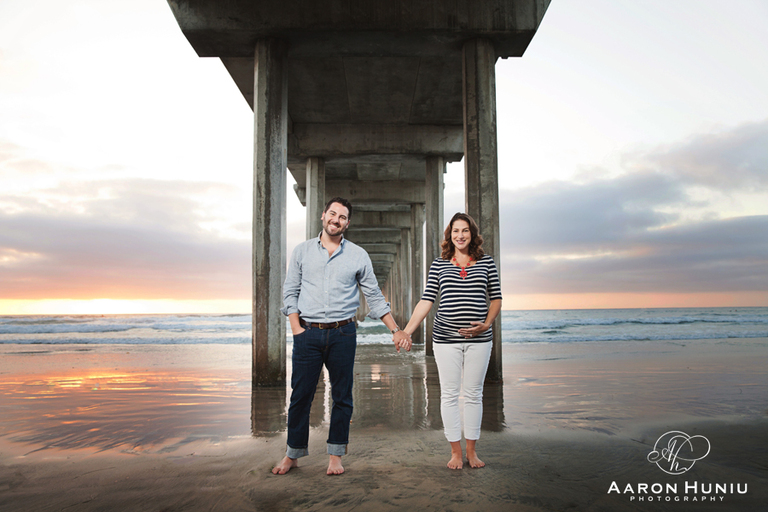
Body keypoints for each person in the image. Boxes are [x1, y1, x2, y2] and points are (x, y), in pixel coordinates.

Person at [273, 197, 412, 476]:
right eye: (332, 214)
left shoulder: (358, 255)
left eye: (342, 217)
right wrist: (296, 329)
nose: (336, 220)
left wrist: (396, 330)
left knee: (342, 396)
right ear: (323, 216)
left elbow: (374, 296)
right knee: (300, 396)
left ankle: (336, 454)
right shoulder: (301, 252)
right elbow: (290, 292)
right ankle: (293, 454)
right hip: (308, 333)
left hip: (343, 333)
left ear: (348, 223)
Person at [402, 212, 502, 470]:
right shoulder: (438, 264)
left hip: (480, 340)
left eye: (465, 230)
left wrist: (487, 324)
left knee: (472, 395)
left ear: (472, 234)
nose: (460, 235)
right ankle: (455, 452)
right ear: (450, 235)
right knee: (448, 394)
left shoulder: (486, 263)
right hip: (445, 339)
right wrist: (407, 330)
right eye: (456, 231)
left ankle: (472, 451)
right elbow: (427, 300)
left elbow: (496, 298)